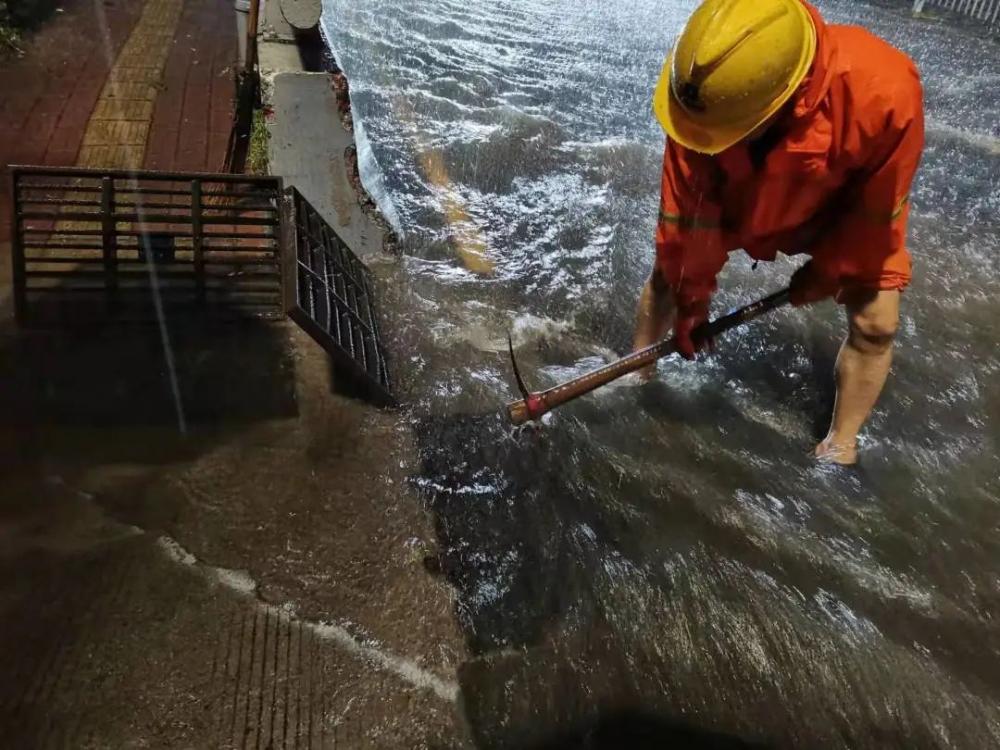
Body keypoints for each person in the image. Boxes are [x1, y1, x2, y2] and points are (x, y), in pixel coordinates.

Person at [633, 0, 924, 465]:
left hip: (833, 207)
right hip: (739, 190)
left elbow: (874, 218)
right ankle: (638, 374)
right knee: (667, 279)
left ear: (783, 98)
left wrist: (829, 272)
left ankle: (840, 447)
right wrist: (693, 301)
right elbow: (686, 218)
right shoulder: (702, 100)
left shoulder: (882, 92)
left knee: (877, 325)